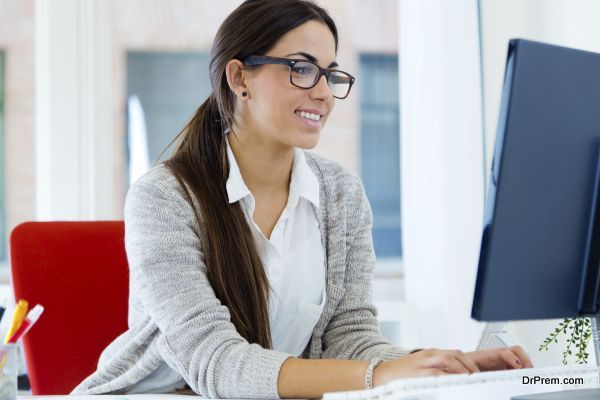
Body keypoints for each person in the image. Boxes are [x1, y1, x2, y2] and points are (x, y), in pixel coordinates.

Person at [73, 0, 532, 398]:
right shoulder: (164, 198)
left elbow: (350, 339)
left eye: (330, 73)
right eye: (302, 68)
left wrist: (439, 366)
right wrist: (378, 376)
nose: (322, 92)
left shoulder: (342, 194)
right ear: (239, 77)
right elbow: (215, 361)